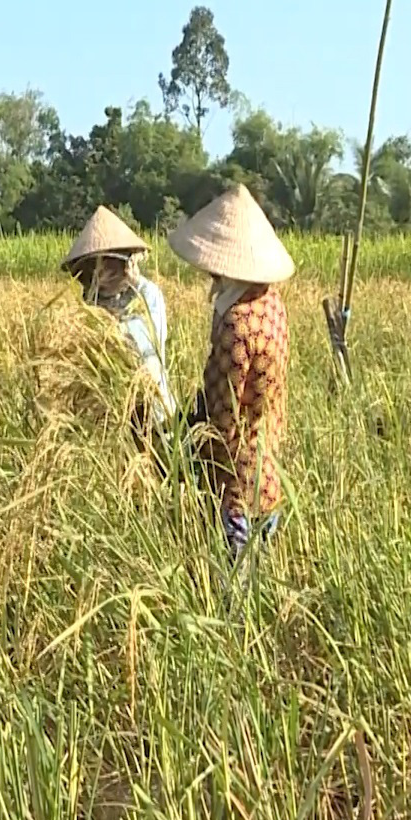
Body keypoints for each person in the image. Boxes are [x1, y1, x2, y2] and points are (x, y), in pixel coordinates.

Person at [167, 183, 294, 562]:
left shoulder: (236, 323)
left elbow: (224, 419)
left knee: (232, 600)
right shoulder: (271, 303)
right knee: (258, 588)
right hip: (269, 474)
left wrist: (185, 446)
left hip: (237, 485)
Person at [61, 206, 176, 429]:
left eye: (113, 266)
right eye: (99, 267)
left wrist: (136, 282)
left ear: (127, 265)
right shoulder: (91, 307)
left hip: (156, 414)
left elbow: (148, 345)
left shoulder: (146, 296)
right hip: (114, 419)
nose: (107, 273)